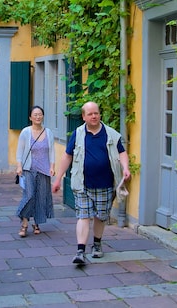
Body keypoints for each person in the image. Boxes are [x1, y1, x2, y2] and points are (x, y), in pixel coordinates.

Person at [52, 101, 131, 265]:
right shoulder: (78, 134)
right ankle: (80, 251)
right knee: (83, 215)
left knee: (101, 217)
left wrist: (126, 168)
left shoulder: (111, 134)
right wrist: (58, 178)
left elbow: (122, 153)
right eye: (90, 114)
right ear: (83, 117)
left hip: (105, 184)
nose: (94, 116)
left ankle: (97, 244)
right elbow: (67, 156)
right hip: (82, 184)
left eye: (96, 113)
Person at [15, 105, 55, 237]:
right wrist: (19, 166)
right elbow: (20, 151)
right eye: (35, 115)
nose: (38, 117)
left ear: (43, 116)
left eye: (40, 114)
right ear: (30, 117)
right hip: (29, 169)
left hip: (44, 170)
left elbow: (52, 152)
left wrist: (52, 167)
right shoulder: (26, 132)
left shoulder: (48, 132)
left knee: (41, 198)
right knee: (29, 195)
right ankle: (24, 223)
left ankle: (36, 223)